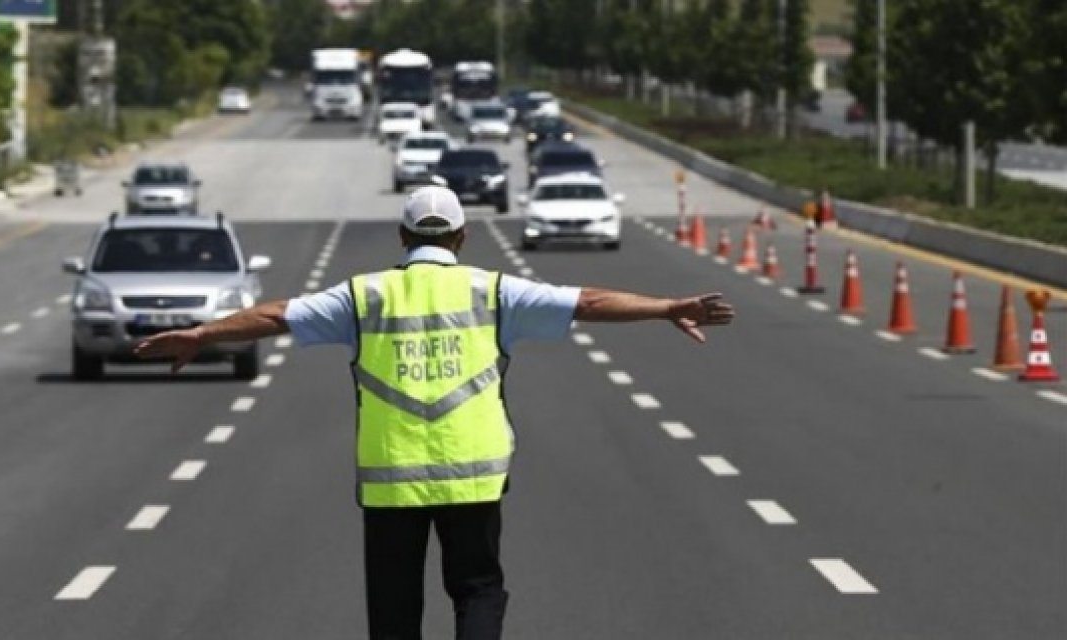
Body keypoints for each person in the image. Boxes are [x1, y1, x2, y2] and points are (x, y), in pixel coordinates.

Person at [134, 186, 735, 639]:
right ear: (462, 237)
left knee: (394, 609)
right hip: (473, 474)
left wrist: (201, 334)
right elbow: (589, 301)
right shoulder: (495, 291)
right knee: (477, 590)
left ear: (402, 238)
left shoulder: (363, 296)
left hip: (391, 482)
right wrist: (665, 306)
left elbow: (274, 315)